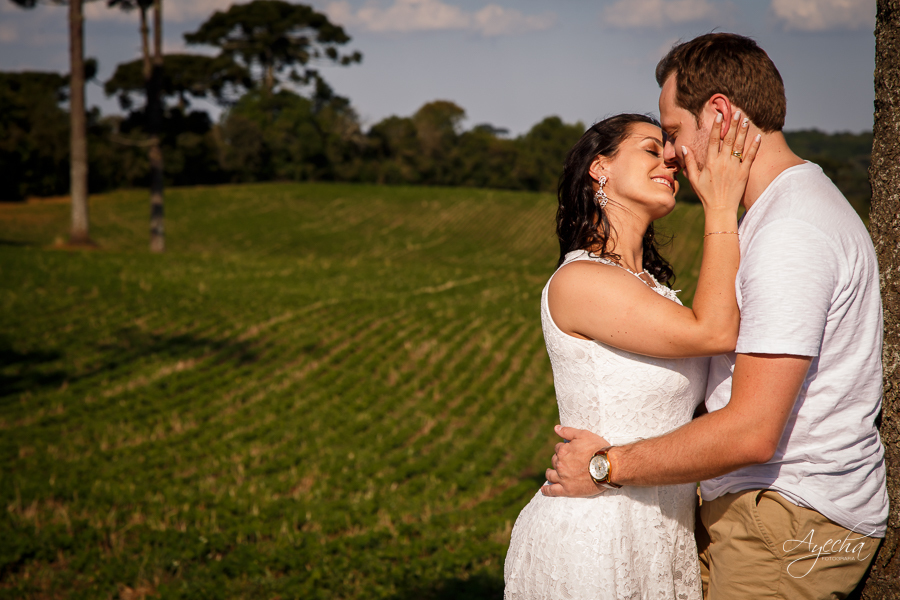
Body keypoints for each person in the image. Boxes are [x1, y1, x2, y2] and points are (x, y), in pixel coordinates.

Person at [542, 33, 888, 599]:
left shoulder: (788, 233)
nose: (672, 155)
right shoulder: (777, 218)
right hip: (754, 518)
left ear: (720, 113)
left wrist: (605, 466)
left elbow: (752, 430)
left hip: (783, 521)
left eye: (672, 134)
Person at [504, 111, 760, 599]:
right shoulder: (580, 280)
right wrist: (722, 206)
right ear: (600, 169)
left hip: (665, 536)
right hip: (595, 534)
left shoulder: (658, 293)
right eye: (650, 149)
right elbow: (715, 329)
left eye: (670, 151)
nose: (670, 159)